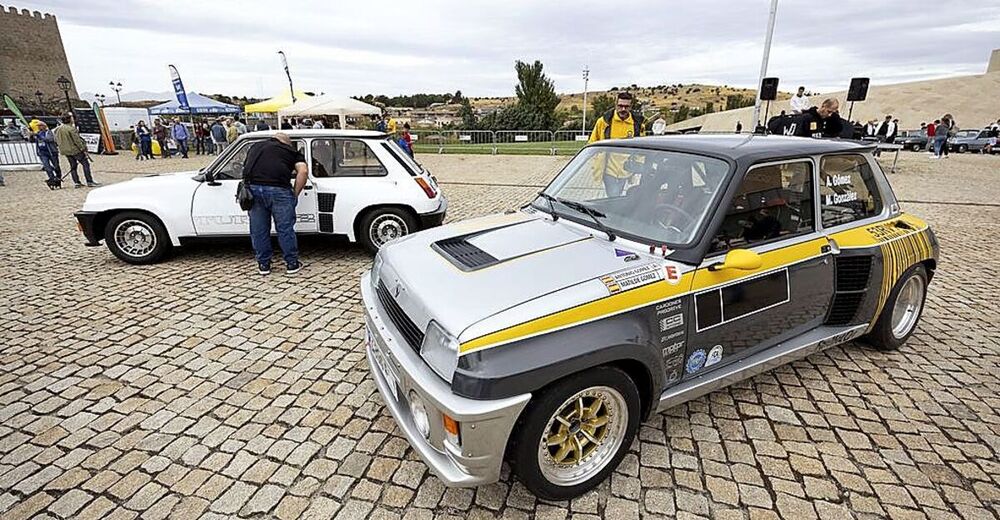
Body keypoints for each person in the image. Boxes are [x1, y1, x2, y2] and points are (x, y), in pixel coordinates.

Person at [243, 132, 308, 275]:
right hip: (280, 190)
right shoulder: (291, 152)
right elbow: (303, 171)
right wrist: (295, 194)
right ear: (287, 143)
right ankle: (292, 264)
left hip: (253, 190)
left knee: (259, 230)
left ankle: (263, 265)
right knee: (285, 228)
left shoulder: (255, 147)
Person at [588, 92, 646, 196]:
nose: (623, 109)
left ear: (631, 107)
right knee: (613, 194)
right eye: (620, 106)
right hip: (609, 170)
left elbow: (641, 147)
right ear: (615, 105)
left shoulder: (637, 124)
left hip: (626, 170)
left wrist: (639, 165)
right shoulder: (604, 122)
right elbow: (592, 143)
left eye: (626, 106)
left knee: (617, 195)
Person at [767, 98, 850, 139]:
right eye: (828, 111)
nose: (829, 115)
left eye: (832, 113)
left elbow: (837, 130)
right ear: (823, 106)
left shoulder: (830, 120)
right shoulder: (807, 118)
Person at [53, 114, 99, 188]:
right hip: (74, 150)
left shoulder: (57, 129)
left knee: (73, 166)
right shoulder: (71, 129)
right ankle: (89, 181)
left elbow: (55, 140)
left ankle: (76, 182)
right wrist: (83, 149)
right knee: (85, 164)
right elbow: (77, 141)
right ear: (70, 119)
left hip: (65, 151)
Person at [34, 121, 62, 185]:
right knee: (47, 167)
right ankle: (52, 179)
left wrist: (39, 136)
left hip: (51, 152)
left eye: (40, 126)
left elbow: (49, 139)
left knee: (56, 166)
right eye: (38, 126)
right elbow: (36, 142)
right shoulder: (38, 133)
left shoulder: (49, 132)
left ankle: (58, 177)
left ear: (44, 126)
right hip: (43, 152)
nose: (39, 127)